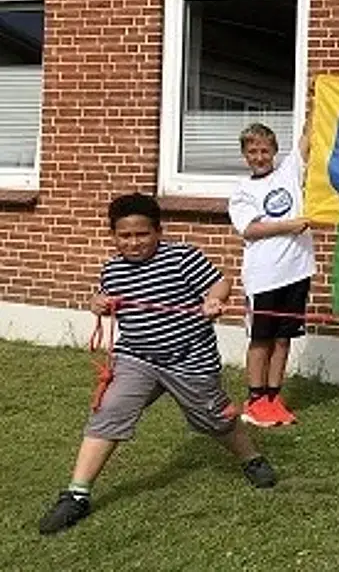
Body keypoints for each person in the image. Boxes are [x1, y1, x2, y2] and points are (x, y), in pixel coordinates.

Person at [38, 193, 277, 535]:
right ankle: (76, 495)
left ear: (158, 231)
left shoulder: (183, 256)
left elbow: (219, 283)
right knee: (108, 412)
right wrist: (98, 304)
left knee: (216, 418)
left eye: (142, 234)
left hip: (189, 359)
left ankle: (252, 459)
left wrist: (214, 300)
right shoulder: (112, 269)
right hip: (137, 359)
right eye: (125, 235)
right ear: (113, 236)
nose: (134, 243)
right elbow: (104, 298)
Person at [228, 123, 315, 428]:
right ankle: (254, 400)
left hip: (298, 271)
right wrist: (289, 226)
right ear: (244, 155)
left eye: (265, 150)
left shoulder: (289, 172)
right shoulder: (242, 191)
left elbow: (308, 136)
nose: (260, 156)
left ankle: (274, 397)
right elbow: (250, 229)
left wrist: (320, 98)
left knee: (284, 338)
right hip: (264, 276)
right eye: (253, 151)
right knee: (261, 338)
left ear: (275, 151)